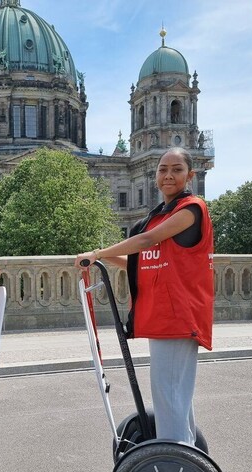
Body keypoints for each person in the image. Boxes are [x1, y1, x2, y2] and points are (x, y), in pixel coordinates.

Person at [75, 147, 213, 445]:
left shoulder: (191, 208)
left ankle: (176, 465)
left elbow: (148, 241)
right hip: (162, 317)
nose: (168, 175)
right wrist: (103, 260)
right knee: (175, 396)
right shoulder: (156, 216)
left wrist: (98, 252)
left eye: (176, 169)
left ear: (191, 175)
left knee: (170, 396)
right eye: (163, 169)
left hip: (177, 316)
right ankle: (186, 453)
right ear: (155, 176)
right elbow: (142, 265)